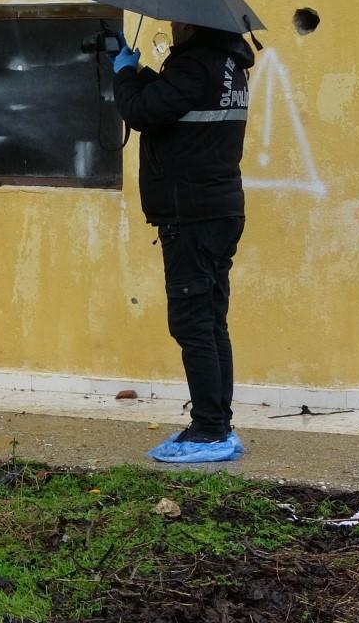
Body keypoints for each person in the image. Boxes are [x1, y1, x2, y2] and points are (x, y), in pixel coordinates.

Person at [112, 22, 254, 447]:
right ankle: (217, 421)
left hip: (191, 215)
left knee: (193, 323)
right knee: (211, 321)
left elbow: (140, 112)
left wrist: (122, 73)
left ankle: (210, 427)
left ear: (194, 25)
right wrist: (139, 75)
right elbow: (173, 104)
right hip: (218, 211)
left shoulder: (194, 67)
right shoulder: (230, 66)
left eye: (178, 22)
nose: (174, 28)